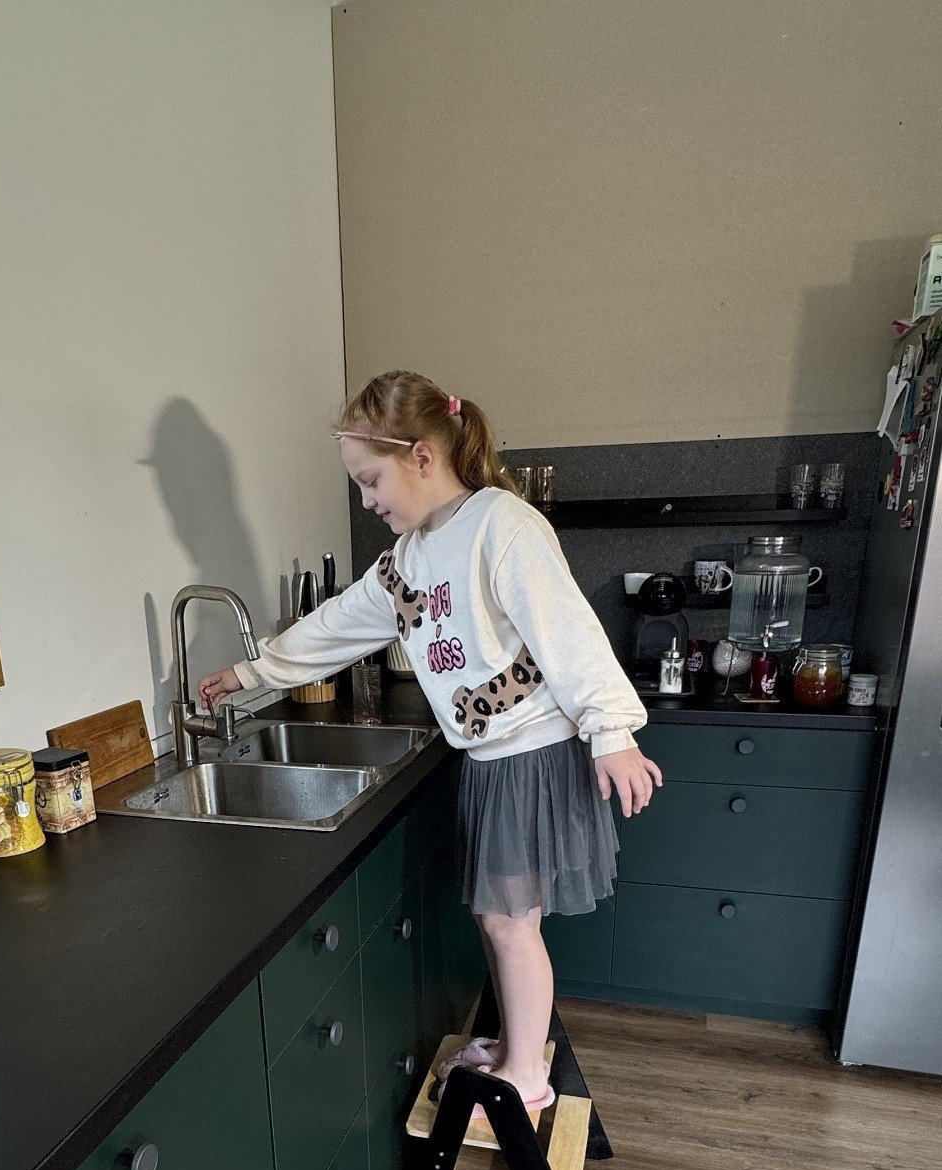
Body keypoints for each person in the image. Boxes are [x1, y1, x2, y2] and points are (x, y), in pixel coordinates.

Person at [199, 371, 661, 1112]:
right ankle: (515, 1050)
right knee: (498, 921)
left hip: (532, 754)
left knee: (512, 928)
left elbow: (567, 626)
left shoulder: (500, 524)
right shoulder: (410, 559)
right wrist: (253, 670)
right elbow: (341, 623)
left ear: (421, 454)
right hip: (490, 759)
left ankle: (527, 1081)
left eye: (371, 479)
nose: (367, 500)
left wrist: (611, 730)